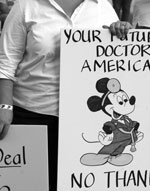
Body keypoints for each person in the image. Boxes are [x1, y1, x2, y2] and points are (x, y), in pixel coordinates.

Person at [0, 0, 132, 190]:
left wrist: (121, 32)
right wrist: (4, 107)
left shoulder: (103, 7)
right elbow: (6, 63)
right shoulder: (26, 6)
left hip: (85, 120)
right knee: (31, 185)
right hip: (32, 114)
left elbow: (114, 58)